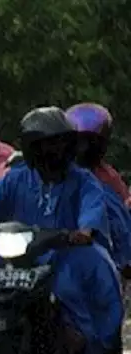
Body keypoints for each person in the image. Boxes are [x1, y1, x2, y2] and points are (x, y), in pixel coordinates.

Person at [0, 107, 124, 354]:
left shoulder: (83, 180)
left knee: (99, 272)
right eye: (46, 145)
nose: (55, 151)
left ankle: (100, 350)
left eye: (60, 143)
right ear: (32, 149)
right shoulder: (15, 178)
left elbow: (91, 212)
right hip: (17, 254)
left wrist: (83, 231)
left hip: (65, 251)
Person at [66, 103, 131, 277]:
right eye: (79, 141)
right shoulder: (50, 170)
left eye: (89, 142)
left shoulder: (109, 177)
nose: (83, 148)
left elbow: (121, 217)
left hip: (94, 249)